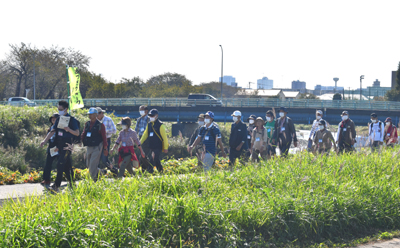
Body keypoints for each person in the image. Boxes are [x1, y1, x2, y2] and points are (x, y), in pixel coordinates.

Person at [40, 100, 80, 193]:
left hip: (67, 145)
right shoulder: (58, 119)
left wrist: (69, 129)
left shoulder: (72, 120)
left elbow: (77, 133)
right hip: (59, 145)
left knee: (60, 164)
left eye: (61, 109)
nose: (59, 111)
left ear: (66, 109)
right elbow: (52, 131)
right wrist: (44, 140)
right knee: (66, 166)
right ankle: (72, 183)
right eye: (58, 109)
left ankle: (56, 186)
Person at [81, 108, 109, 182]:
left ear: (96, 115)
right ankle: (101, 172)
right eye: (89, 114)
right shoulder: (87, 124)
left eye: (91, 114)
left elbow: (104, 138)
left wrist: (105, 149)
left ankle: (93, 181)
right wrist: (80, 141)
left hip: (97, 147)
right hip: (89, 146)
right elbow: (84, 133)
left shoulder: (101, 125)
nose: (90, 116)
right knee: (89, 165)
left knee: (93, 164)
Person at [140, 109, 168, 173]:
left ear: (156, 116)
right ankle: (161, 172)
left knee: (152, 159)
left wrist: (166, 148)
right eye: (150, 115)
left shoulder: (161, 125)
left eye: (152, 115)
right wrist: (140, 142)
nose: (151, 117)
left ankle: (150, 172)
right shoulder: (149, 124)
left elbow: (164, 138)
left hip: (158, 146)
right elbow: (145, 134)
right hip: (151, 146)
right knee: (156, 160)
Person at [40, 113, 60, 189]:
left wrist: (58, 146)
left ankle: (69, 179)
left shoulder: (60, 128)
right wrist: (44, 142)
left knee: (62, 165)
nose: (53, 120)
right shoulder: (51, 127)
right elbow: (49, 137)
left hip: (58, 147)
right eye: (52, 119)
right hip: (51, 147)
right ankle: (46, 179)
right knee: (48, 163)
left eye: (55, 119)